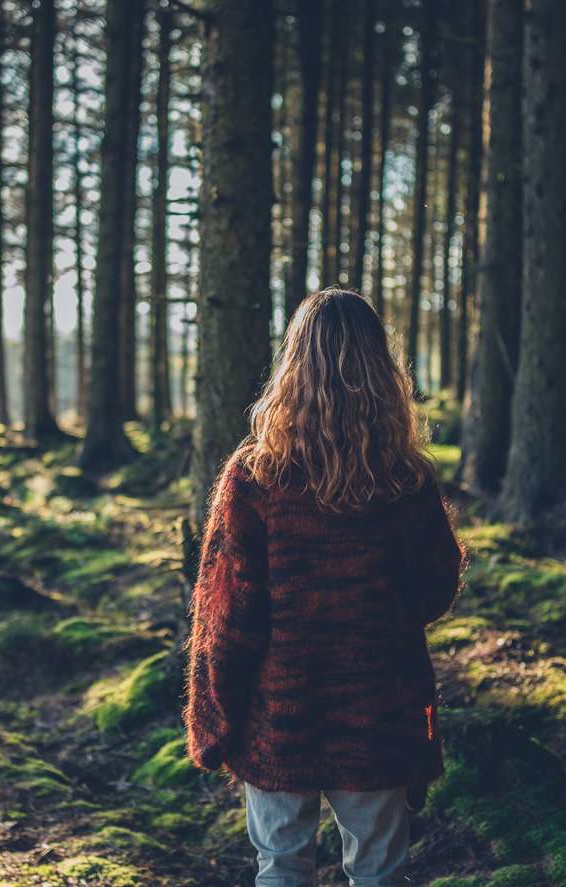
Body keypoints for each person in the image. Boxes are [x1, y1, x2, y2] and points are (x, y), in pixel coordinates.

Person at [184, 288, 465, 886]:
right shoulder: (405, 478)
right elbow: (436, 586)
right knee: (380, 872)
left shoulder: (255, 476)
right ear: (381, 371)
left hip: (279, 715)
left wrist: (216, 717)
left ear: (292, 366)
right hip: (380, 711)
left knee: (282, 867)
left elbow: (228, 618)